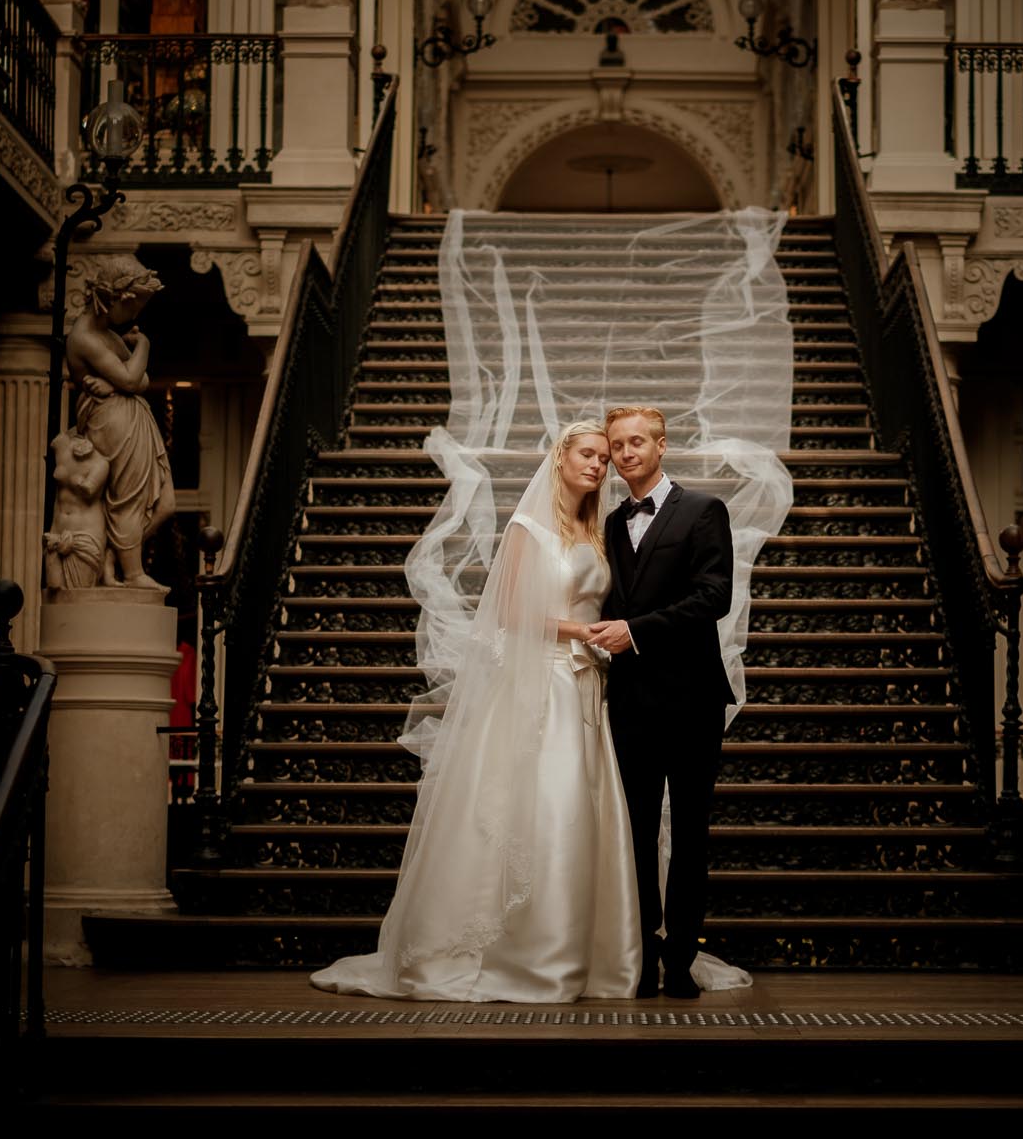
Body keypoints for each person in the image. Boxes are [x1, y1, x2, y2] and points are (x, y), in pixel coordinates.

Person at [312, 420, 641, 1001]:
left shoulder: (599, 533)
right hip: (543, 686)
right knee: (543, 806)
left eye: (604, 460)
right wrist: (581, 630)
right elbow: (510, 616)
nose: (598, 466)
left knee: (581, 812)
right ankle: (527, 957)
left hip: (588, 689)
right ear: (560, 458)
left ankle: (590, 955)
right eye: (587, 455)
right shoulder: (528, 529)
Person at [587, 405, 737, 998]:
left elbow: (714, 597)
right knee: (637, 835)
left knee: (692, 835)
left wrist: (638, 632)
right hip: (629, 701)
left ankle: (680, 963)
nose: (625, 453)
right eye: (617, 444)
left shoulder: (702, 511)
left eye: (636, 442)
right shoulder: (610, 523)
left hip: (694, 699)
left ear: (661, 446)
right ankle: (642, 959)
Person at [65, 255, 176, 588]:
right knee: (128, 499)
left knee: (165, 505)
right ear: (115, 299)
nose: (135, 317)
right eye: (134, 308)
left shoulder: (109, 335)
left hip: (128, 416)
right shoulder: (84, 337)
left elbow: (140, 381)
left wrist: (117, 381)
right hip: (110, 422)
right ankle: (134, 573)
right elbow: (132, 379)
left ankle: (112, 554)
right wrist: (144, 344)